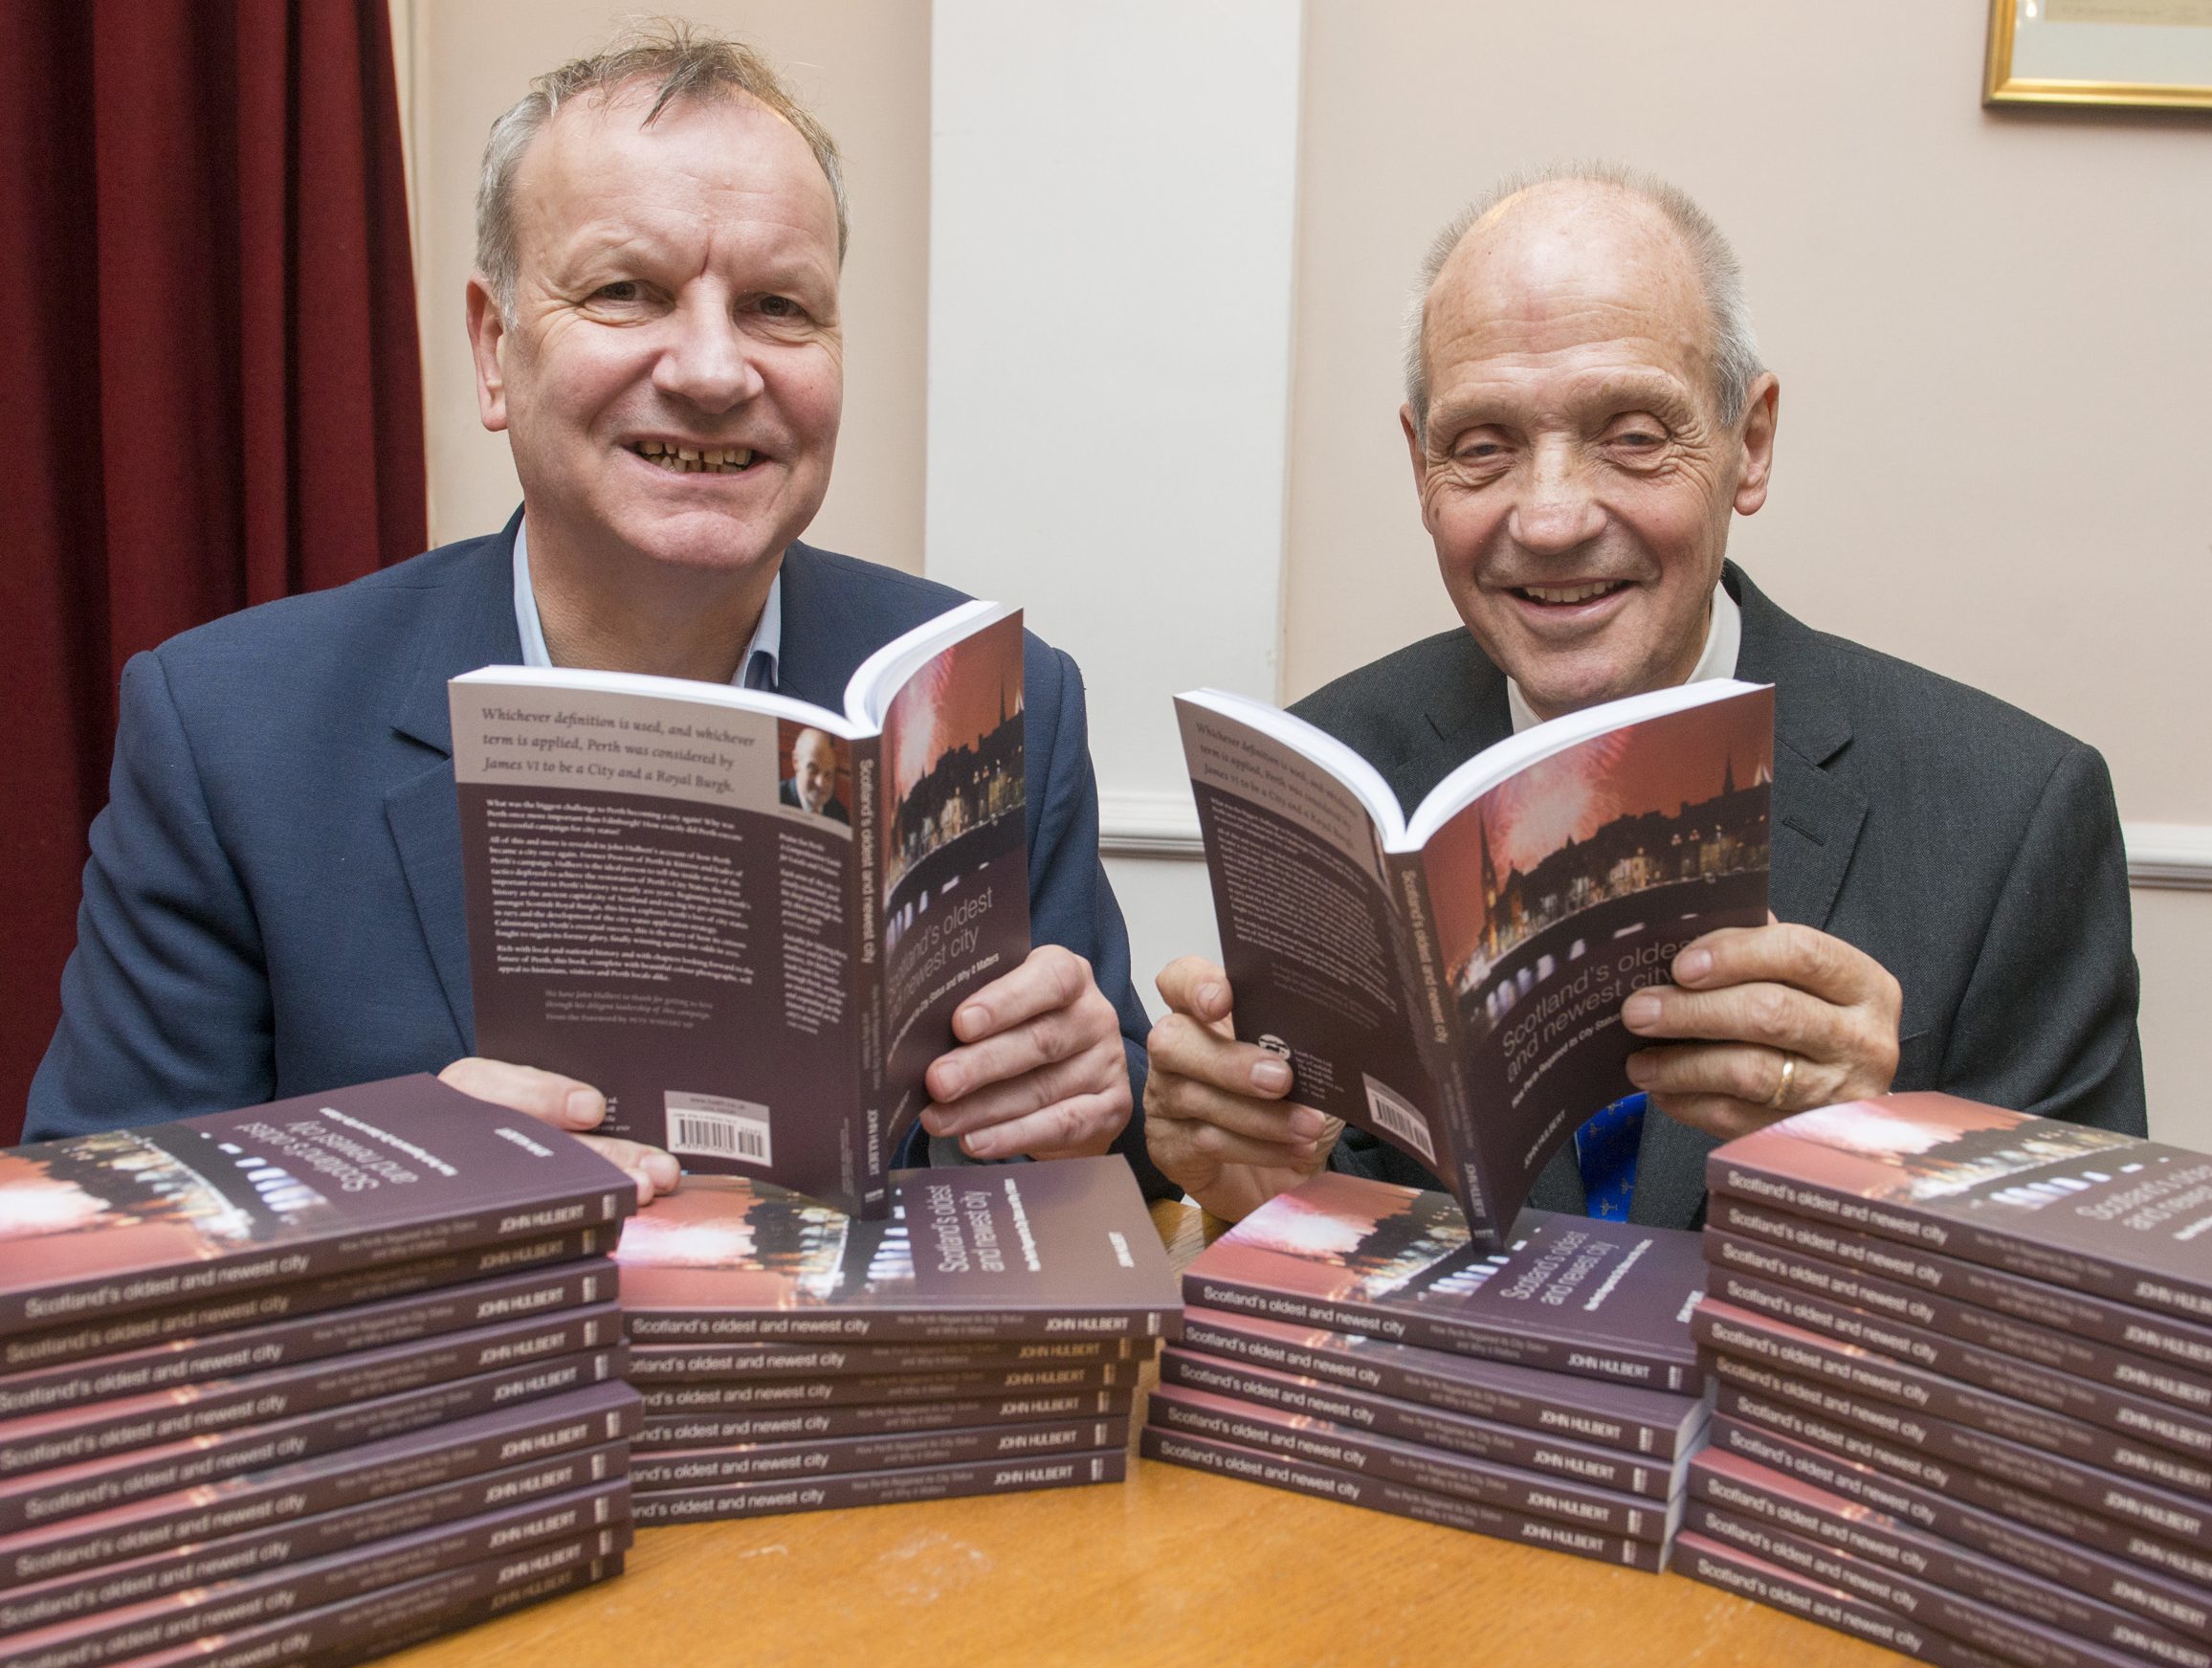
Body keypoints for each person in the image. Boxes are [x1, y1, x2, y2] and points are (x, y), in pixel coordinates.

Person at [30, 25, 1166, 1203]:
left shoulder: (990, 701)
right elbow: (90, 1207)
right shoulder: (229, 731)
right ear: (493, 349)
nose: (716, 372)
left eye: (779, 306)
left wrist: (1087, 1099)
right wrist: (386, 1181)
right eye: (627, 292)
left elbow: (1106, 1164)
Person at [1143, 164, 2146, 1228]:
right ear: (1418, 466)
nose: (1550, 518)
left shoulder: (2009, 814)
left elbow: (2087, 1323)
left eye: (1630, 434)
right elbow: (1322, 1252)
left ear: (1747, 445)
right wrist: (1261, 1194)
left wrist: (1878, 1152)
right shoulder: (1331, 767)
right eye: (1481, 448)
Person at [779, 726, 850, 823]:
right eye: (813, 770)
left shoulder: (840, 815)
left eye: (828, 774)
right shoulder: (774, 799)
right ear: (796, 761)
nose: (820, 783)